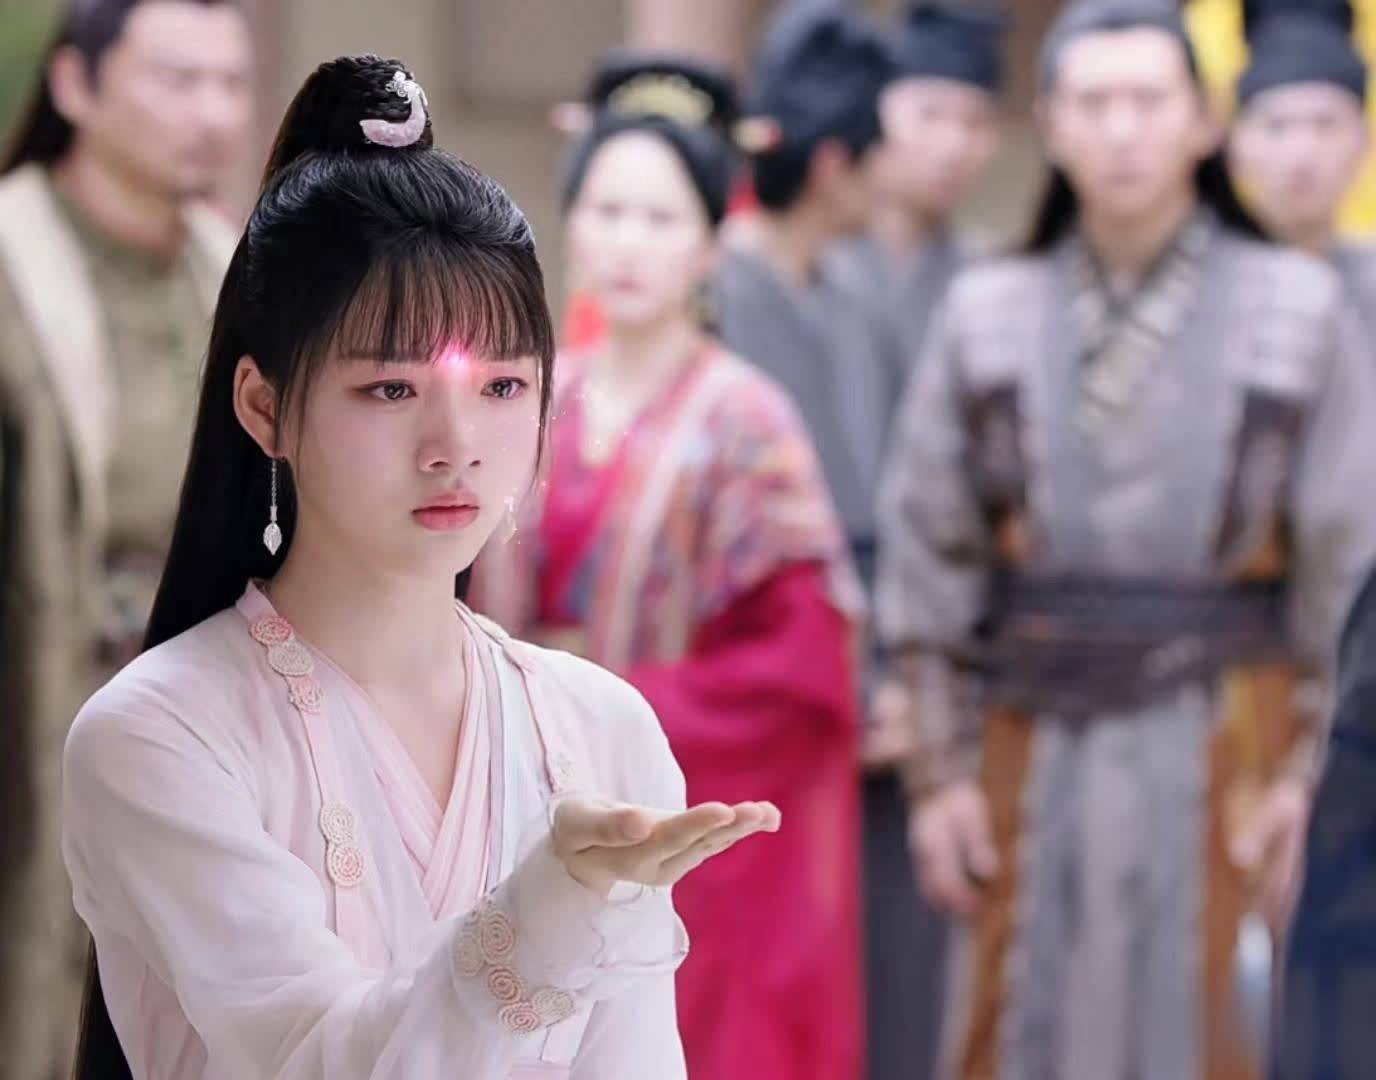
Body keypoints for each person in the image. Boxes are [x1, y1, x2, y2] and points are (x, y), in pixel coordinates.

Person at [60, 54, 781, 1080]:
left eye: (501, 387)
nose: (456, 447)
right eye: (391, 390)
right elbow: (315, 1060)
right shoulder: (159, 735)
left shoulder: (601, 725)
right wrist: (548, 911)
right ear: (264, 406)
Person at [875, 2, 1376, 1077]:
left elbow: (1347, 569)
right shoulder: (984, 310)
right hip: (1022, 742)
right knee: (1015, 1022)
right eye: (1092, 103)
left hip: (1234, 743)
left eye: (1147, 100)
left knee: (1219, 1026)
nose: (1121, 130)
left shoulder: (1298, 310)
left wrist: (1314, 779)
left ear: (1202, 122)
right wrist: (938, 775)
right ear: (1049, 123)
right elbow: (930, 553)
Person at [471, 53, 865, 1080]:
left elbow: (801, 673)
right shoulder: (527, 400)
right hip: (517, 799)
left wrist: (609, 704)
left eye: (660, 217)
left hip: (689, 823)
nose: (628, 242)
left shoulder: (749, 422)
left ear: (711, 238)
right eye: (606, 211)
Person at [0, 2, 251, 1075]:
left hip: (201, 701)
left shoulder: (239, 269)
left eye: (230, 83)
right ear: (74, 86)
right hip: (36, 688)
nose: (211, 112)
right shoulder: (14, 260)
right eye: (176, 80)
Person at [825, 7, 1007, 1079]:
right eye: (929, 111)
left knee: (928, 981)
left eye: (974, 120)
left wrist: (920, 687)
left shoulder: (990, 284)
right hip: (816, 671)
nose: (950, 142)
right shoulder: (810, 272)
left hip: (947, 674)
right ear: (880, 116)